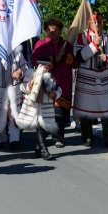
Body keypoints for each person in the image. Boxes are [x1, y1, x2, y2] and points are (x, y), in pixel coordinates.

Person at [73, 11, 108, 148]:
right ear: (89, 23)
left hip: (104, 80)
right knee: (85, 110)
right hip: (86, 79)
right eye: (94, 22)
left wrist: (107, 59)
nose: (97, 24)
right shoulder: (82, 37)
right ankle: (87, 137)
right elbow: (78, 56)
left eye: (99, 22)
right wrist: (94, 45)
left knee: (107, 109)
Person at [30, 17, 79, 148]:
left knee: (60, 113)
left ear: (60, 30)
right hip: (45, 83)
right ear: (46, 30)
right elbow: (34, 59)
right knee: (44, 112)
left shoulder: (67, 45)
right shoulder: (41, 44)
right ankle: (42, 138)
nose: (51, 31)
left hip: (63, 82)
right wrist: (53, 59)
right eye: (49, 29)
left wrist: (66, 56)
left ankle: (58, 138)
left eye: (55, 29)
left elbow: (75, 63)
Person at [16, 56, 62, 160]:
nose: (46, 69)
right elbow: (22, 87)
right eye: (44, 66)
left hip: (46, 108)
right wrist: (30, 84)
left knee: (45, 129)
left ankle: (38, 148)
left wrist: (55, 94)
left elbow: (59, 89)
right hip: (34, 108)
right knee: (40, 128)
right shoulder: (30, 74)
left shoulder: (51, 77)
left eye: (48, 66)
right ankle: (44, 151)